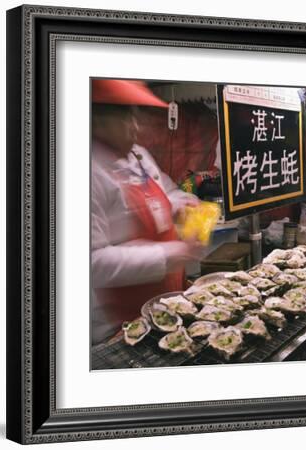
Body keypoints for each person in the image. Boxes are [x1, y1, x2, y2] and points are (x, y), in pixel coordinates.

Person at [91, 79, 203, 344]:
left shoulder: (138, 156)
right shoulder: (86, 170)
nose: (136, 127)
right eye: (125, 118)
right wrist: (168, 255)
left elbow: (168, 193)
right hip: (117, 321)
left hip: (165, 298)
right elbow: (91, 263)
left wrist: (182, 204)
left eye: (135, 117)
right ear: (97, 121)